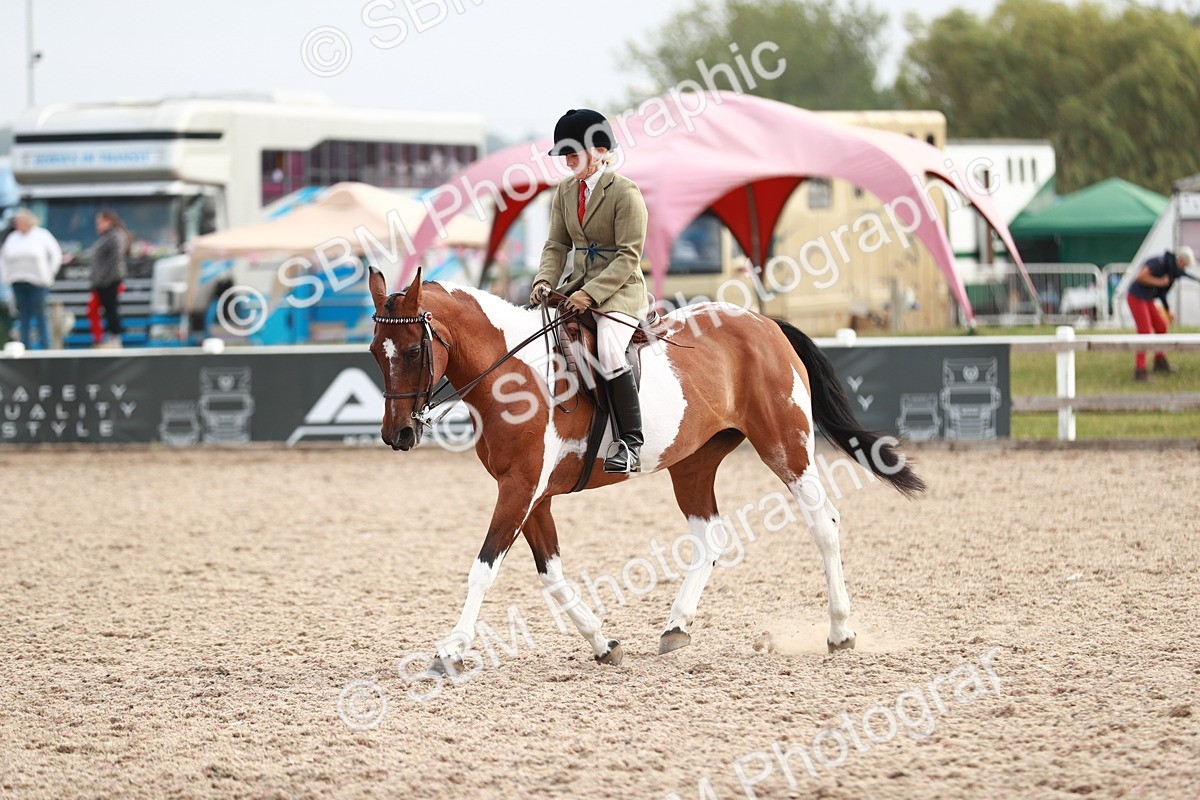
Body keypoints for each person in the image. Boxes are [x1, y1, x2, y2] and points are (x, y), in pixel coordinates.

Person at [529, 108, 650, 473]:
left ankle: (630, 443)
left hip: (620, 290)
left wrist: (591, 294)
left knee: (611, 350)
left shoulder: (625, 193)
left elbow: (629, 256)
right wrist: (543, 280)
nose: (567, 160)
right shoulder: (565, 191)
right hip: (576, 287)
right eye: (563, 153)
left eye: (574, 152)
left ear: (600, 150)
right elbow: (556, 244)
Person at [1127, 246, 1195, 380]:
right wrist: (1159, 281)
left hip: (1147, 298)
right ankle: (1140, 370)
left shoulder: (1169, 268)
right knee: (1145, 332)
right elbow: (1140, 277)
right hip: (1136, 297)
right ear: (1181, 260)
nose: (1183, 268)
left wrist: (1168, 310)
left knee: (1161, 326)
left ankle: (1159, 361)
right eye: (1184, 265)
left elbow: (1162, 292)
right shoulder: (1159, 262)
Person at [0, 208, 62, 349]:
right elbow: (3, 258)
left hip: (38, 282)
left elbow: (56, 255)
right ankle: (25, 346)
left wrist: (49, 273)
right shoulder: (13, 238)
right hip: (18, 281)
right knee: (23, 316)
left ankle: (46, 345)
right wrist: (6, 276)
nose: (17, 224)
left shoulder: (41, 235)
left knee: (40, 314)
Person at [91, 209, 129, 347]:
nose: (98, 225)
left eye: (100, 222)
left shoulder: (115, 237)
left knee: (111, 310)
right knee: (99, 310)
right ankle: (100, 338)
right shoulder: (106, 237)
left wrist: (102, 278)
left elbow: (114, 260)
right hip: (101, 282)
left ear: (109, 221)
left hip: (110, 281)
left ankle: (114, 338)